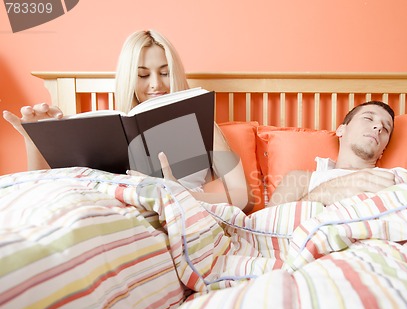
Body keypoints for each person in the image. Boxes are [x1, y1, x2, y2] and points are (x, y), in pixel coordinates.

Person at [3, 29, 251, 211]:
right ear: (128, 78)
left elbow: (241, 197)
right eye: (143, 75)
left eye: (164, 73)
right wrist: (33, 139)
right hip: (106, 214)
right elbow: (43, 190)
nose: (155, 84)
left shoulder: (202, 125)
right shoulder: (105, 129)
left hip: (173, 217)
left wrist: (181, 194)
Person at [268, 101, 407, 206]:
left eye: (386, 129)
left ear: (383, 148)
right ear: (341, 130)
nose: (378, 127)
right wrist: (327, 192)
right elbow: (270, 228)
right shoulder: (303, 180)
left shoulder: (402, 176)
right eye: (369, 118)